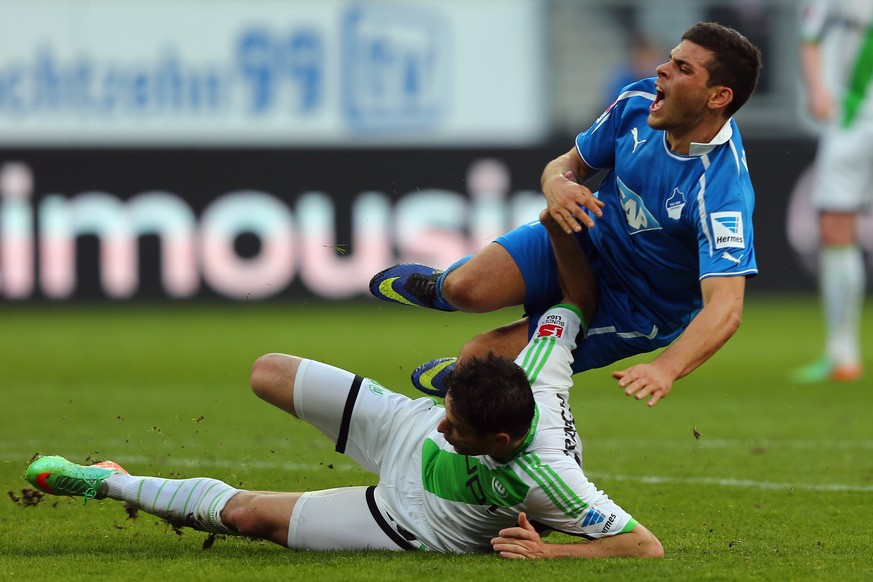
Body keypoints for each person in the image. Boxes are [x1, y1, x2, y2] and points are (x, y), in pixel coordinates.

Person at [23, 211, 663, 559]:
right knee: (267, 371)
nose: (446, 424)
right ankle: (436, 345)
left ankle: (107, 480)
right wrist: (560, 229)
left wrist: (547, 559)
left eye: (457, 427)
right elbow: (576, 298)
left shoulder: (552, 481)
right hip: (397, 431)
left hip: (410, 520)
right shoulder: (539, 369)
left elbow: (643, 546)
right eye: (450, 410)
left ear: (499, 437)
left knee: (247, 515)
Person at [371, 22, 763, 406]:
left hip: (634, 307)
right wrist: (557, 183)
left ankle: (464, 373)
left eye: (683, 69)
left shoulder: (720, 193)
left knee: (478, 363)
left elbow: (726, 308)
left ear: (717, 97)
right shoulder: (638, 102)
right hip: (583, 235)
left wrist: (665, 368)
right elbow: (567, 165)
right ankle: (442, 288)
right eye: (670, 59)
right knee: (465, 290)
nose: (662, 69)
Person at [791, 0, 869, 383]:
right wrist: (820, 90)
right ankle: (843, 352)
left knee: (836, 229)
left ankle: (843, 352)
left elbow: (810, 39)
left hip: (855, 120)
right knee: (835, 228)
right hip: (854, 117)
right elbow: (810, 38)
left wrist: (820, 90)